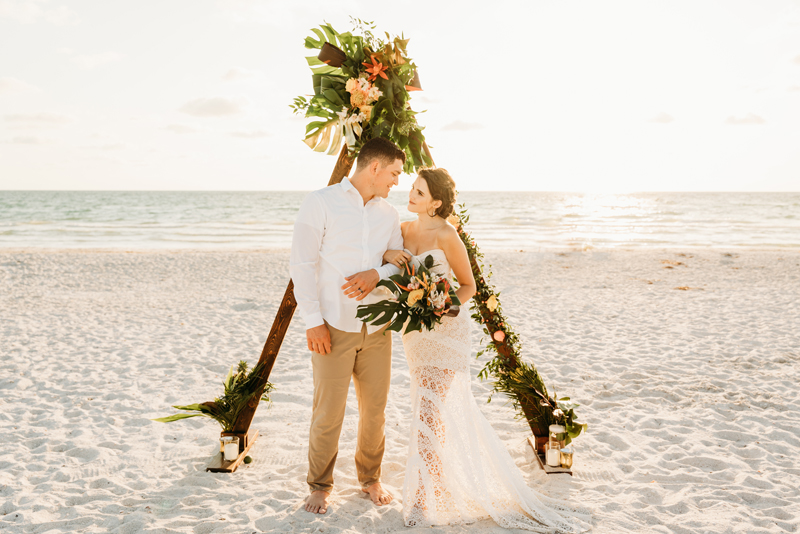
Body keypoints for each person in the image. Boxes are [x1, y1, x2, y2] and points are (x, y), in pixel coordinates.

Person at [383, 168, 592, 532]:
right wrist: (390, 254)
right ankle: (438, 489)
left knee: (429, 412)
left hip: (446, 330)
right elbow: (392, 266)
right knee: (426, 406)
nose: (411, 194)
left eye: (419, 191)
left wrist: (446, 305)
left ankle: (421, 497)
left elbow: (468, 286)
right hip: (415, 333)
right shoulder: (402, 229)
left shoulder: (448, 235)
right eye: (412, 188)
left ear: (436, 202)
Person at [289, 137, 406, 515]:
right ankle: (320, 485)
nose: (395, 182)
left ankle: (370, 478)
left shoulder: (389, 213)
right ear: (374, 167)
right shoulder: (320, 202)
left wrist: (377, 271)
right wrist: (313, 322)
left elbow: (398, 262)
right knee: (329, 411)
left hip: (378, 327)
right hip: (332, 325)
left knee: (375, 411)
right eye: (393, 173)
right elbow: (302, 265)